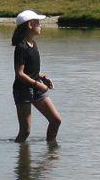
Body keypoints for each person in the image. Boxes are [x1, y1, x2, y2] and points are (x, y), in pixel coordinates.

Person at [11, 10, 62, 144]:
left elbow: (31, 70)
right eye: (38, 23)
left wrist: (43, 77)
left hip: (36, 86)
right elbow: (20, 73)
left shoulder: (33, 43)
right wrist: (37, 84)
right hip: (23, 90)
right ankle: (21, 161)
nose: (40, 25)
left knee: (56, 120)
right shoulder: (21, 47)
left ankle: (51, 151)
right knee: (25, 131)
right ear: (30, 25)